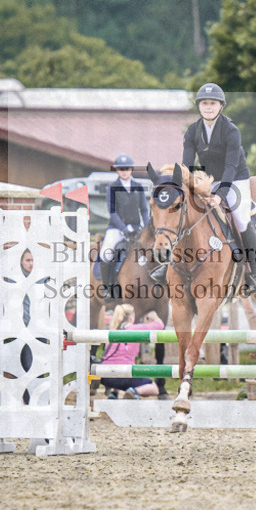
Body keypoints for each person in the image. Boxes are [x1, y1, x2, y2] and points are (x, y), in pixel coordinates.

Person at [180, 82, 256, 293]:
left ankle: (255, 274)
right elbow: (187, 165)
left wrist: (220, 196)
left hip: (235, 178)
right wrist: (185, 188)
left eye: (213, 103)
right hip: (210, 179)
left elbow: (231, 166)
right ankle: (172, 266)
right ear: (199, 106)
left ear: (221, 106)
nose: (208, 107)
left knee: (241, 218)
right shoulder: (192, 131)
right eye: (205, 103)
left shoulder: (231, 131)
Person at [97, 154, 149, 299]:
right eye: (121, 169)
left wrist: (146, 226)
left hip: (137, 228)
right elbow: (112, 212)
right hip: (117, 228)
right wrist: (123, 228)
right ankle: (107, 288)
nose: (124, 171)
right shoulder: (112, 188)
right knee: (106, 253)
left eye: (127, 169)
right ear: (117, 170)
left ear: (131, 170)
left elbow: (144, 210)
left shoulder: (138, 187)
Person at [98, 305, 165, 399]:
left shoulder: (112, 330)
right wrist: (154, 316)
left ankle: (114, 392)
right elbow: (160, 325)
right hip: (124, 375)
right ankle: (133, 392)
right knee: (154, 388)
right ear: (130, 317)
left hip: (105, 376)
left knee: (117, 362)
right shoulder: (135, 329)